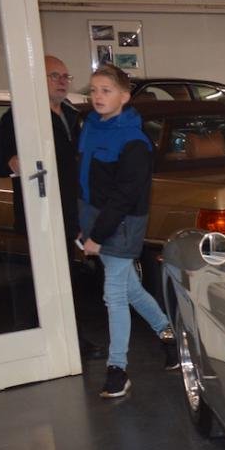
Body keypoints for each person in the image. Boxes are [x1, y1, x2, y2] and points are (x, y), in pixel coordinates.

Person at [0, 55, 104, 358]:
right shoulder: (20, 116)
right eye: (55, 76)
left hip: (71, 209)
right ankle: (48, 340)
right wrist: (12, 162)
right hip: (41, 210)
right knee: (46, 279)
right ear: (37, 80)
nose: (63, 81)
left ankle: (66, 340)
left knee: (65, 277)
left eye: (66, 76)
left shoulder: (72, 115)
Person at [77, 64, 176, 399]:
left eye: (106, 90)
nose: (97, 96)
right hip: (95, 220)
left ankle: (117, 369)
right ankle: (170, 338)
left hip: (120, 225)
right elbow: (84, 181)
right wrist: (83, 226)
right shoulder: (90, 127)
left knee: (114, 295)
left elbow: (124, 196)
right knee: (131, 289)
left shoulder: (135, 141)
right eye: (93, 90)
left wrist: (97, 236)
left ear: (124, 96)